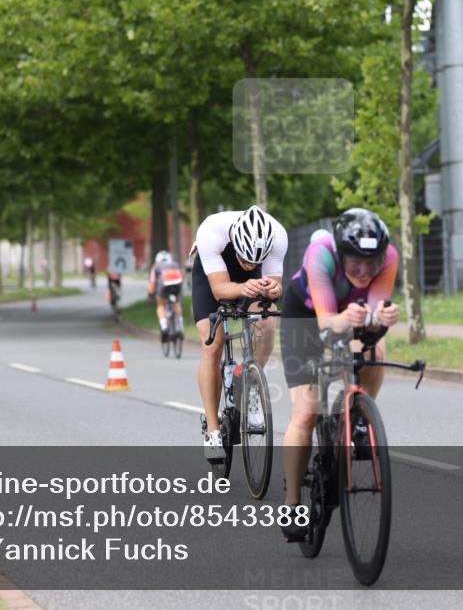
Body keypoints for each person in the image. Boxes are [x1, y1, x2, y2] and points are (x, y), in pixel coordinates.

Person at [277, 208, 400, 541]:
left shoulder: (389, 256)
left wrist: (383, 317)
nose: (364, 270)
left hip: (350, 313)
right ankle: (291, 504)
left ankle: (358, 416)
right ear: (340, 254)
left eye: (372, 262)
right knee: (305, 412)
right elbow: (326, 321)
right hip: (306, 317)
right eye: (355, 262)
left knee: (374, 352)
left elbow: (374, 309)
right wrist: (346, 318)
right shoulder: (321, 254)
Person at [191, 205, 288, 461]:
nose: (248, 265)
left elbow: (276, 287)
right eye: (245, 260)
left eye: (254, 262)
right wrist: (244, 285)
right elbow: (220, 291)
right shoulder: (211, 231)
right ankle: (213, 429)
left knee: (267, 320)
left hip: (253, 280)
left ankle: (252, 384)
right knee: (213, 344)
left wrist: (272, 289)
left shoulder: (277, 236)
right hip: (214, 274)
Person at [147, 250, 185, 341]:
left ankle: (164, 327)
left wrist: (151, 293)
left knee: (160, 305)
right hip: (177, 283)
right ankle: (180, 326)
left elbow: (152, 284)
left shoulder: (156, 266)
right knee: (176, 303)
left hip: (164, 284)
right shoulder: (175, 264)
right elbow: (181, 276)